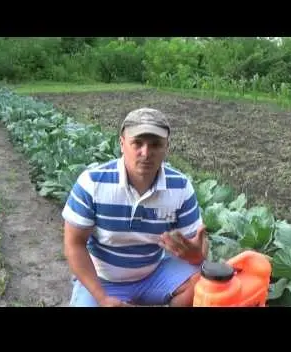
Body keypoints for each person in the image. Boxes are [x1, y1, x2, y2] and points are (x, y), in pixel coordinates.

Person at [61, 107, 208, 307]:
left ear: (167, 147)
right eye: (137, 143)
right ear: (122, 143)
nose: (146, 153)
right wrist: (102, 298)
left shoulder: (180, 186)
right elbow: (74, 244)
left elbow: (198, 250)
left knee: (203, 285)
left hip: (153, 274)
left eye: (155, 145)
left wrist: (194, 252)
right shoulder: (93, 183)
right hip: (103, 280)